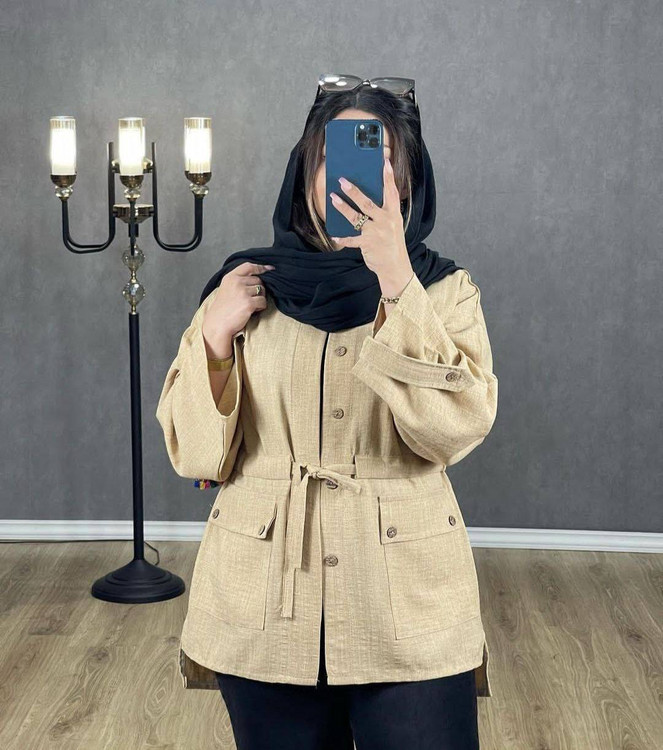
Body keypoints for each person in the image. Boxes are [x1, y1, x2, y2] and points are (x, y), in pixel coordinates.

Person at [156, 74, 498, 750]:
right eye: (331, 161)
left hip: (407, 604)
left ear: (407, 181)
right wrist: (216, 337)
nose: (352, 182)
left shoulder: (444, 292)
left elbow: (454, 430)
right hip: (260, 600)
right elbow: (195, 455)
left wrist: (396, 280)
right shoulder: (244, 287)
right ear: (304, 175)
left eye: (382, 163)